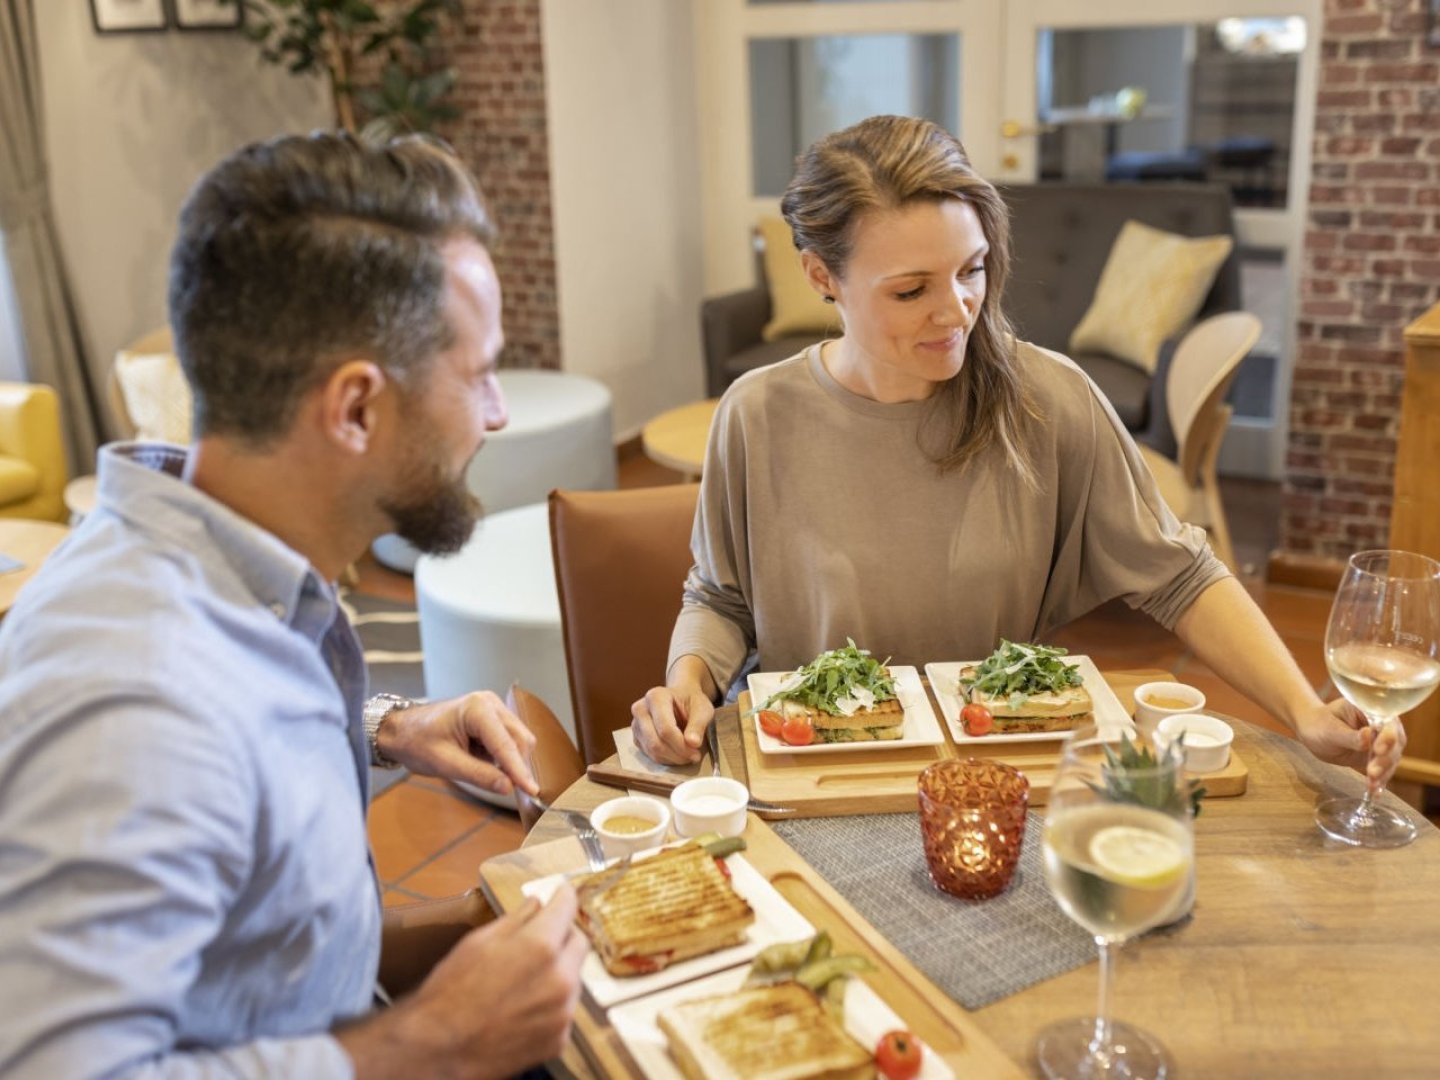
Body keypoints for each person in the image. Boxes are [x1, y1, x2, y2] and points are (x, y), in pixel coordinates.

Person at [0, 133, 586, 1078]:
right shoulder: (136, 706)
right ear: (354, 409)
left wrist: (383, 728)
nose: (497, 412)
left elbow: (274, 948)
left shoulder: (224, 569)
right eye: (478, 373)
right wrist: (435, 1041)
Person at [631, 114, 1402, 791]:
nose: (958, 309)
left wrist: (1305, 710)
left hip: (991, 777)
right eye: (911, 290)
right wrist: (688, 680)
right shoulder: (756, 414)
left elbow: (1181, 574)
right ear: (820, 276)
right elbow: (720, 596)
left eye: (971, 270)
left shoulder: (1048, 396)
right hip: (809, 775)